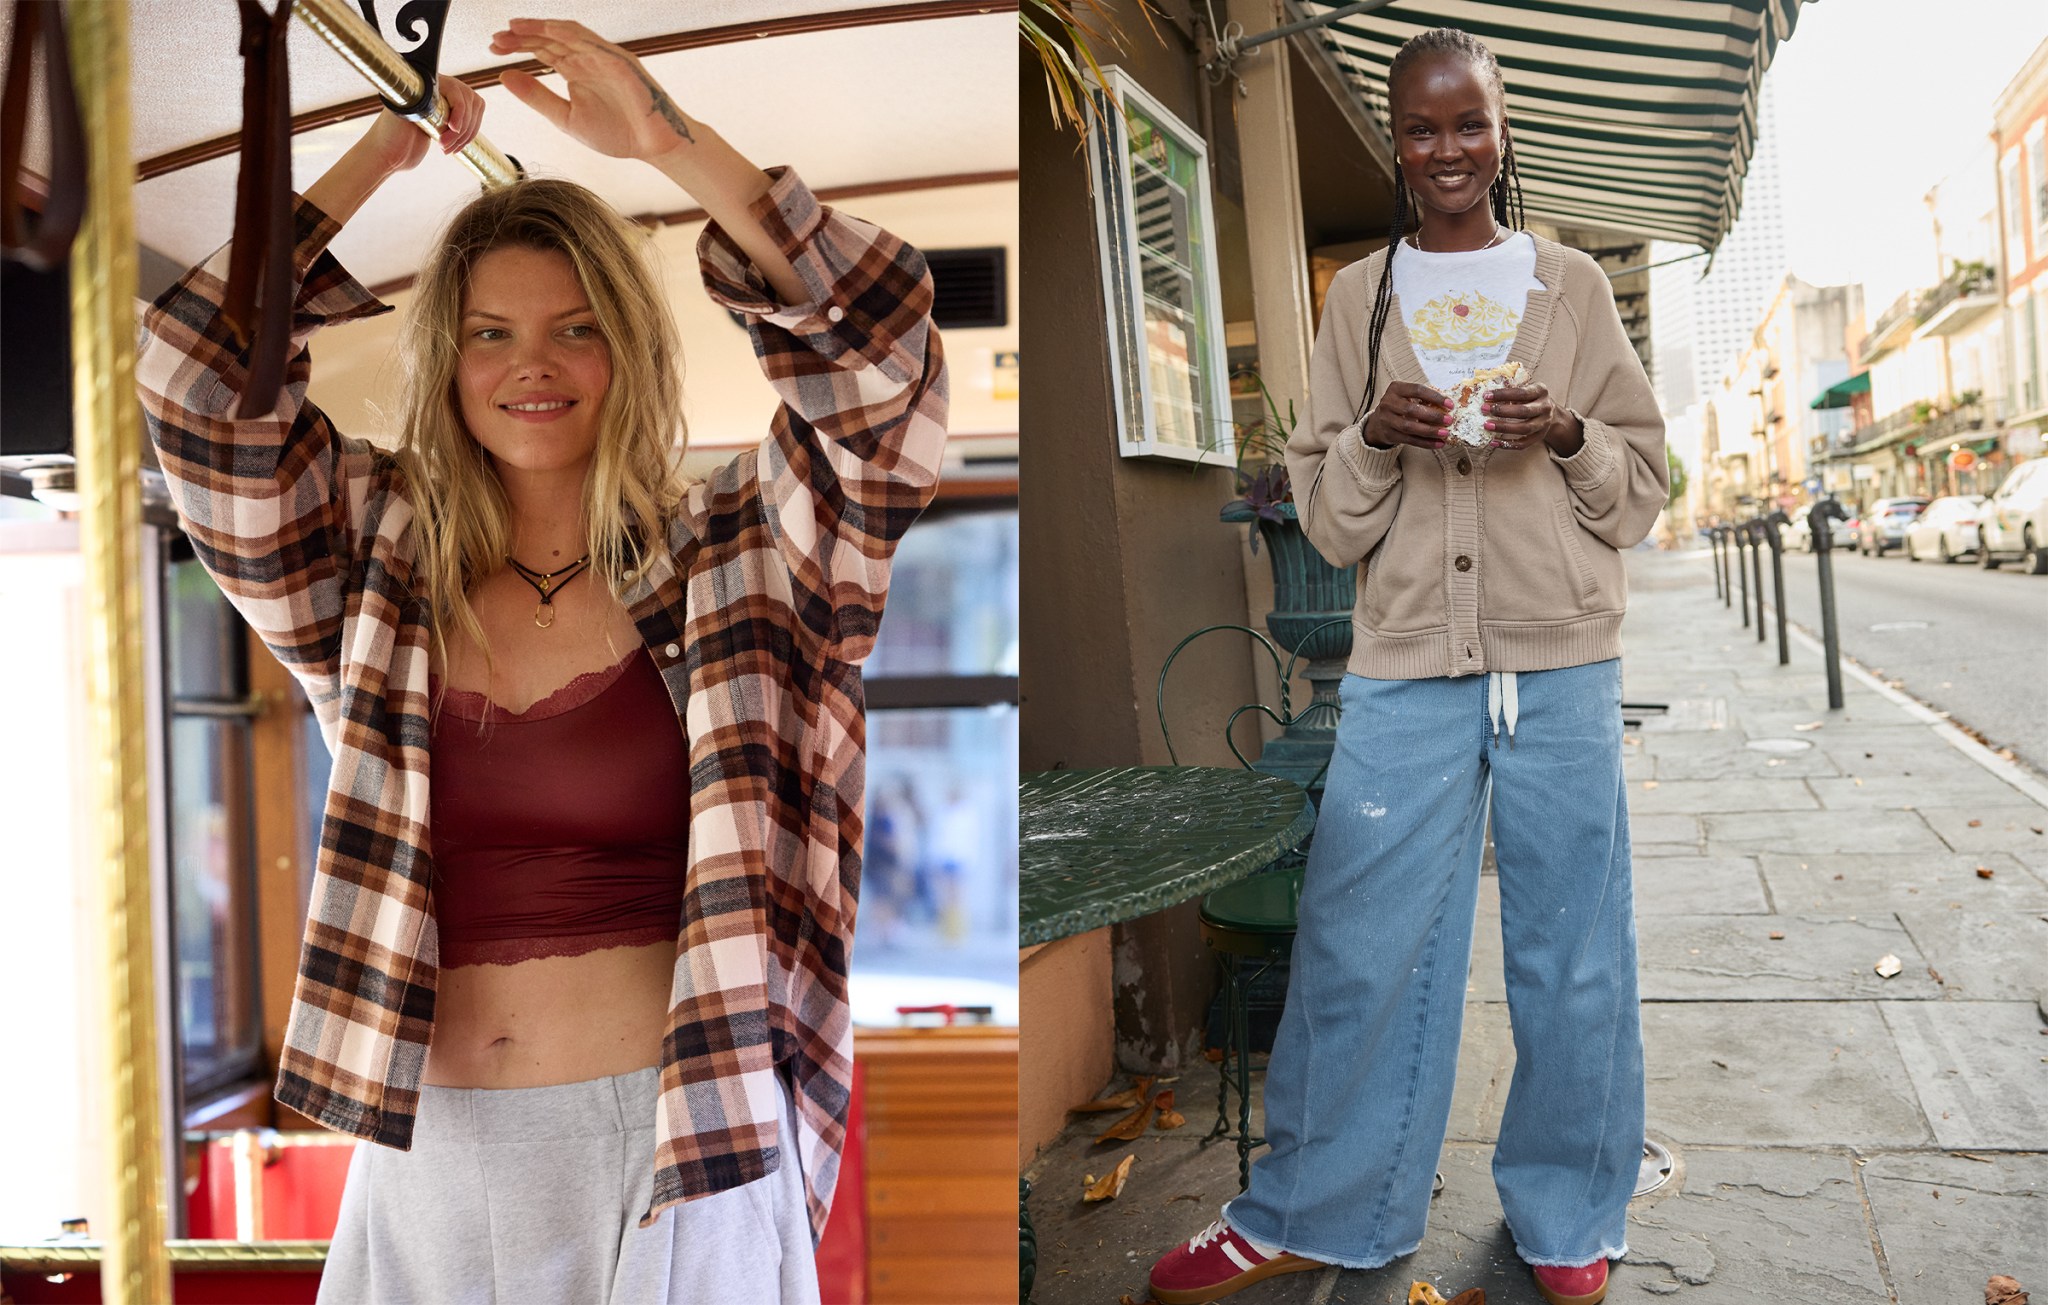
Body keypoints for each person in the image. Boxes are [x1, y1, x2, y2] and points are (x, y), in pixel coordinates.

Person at [136, 18, 946, 1303]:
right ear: (444, 359)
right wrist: (374, 155)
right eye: (488, 333)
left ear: (627, 346)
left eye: (573, 329)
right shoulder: (370, 561)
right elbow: (190, 380)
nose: (532, 367)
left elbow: (885, 369)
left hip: (679, 1141)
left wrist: (666, 142)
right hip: (429, 1152)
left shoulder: (744, 552)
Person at [1147, 26, 1665, 1305]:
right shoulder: (1356, 299)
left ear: (1501, 131)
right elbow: (1327, 522)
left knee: (1572, 948)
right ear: (1397, 142)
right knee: (1354, 941)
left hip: (1557, 666)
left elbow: (1643, 492)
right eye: (1421, 129)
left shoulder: (1571, 288)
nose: (1446, 150)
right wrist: (1373, 436)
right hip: (1402, 670)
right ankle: (1313, 1208)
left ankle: (1565, 1217)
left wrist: (1564, 433)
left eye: (1467, 123)